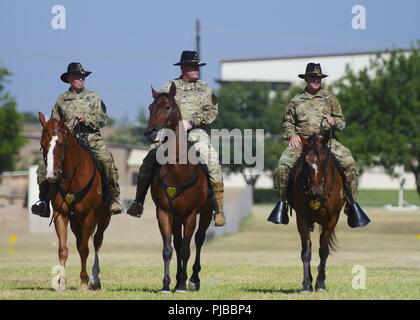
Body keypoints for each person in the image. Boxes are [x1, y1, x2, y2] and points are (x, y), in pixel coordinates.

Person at [127, 50, 225, 226]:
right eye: (193, 66)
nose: (196, 69)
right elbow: (158, 108)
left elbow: (212, 112)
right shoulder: (169, 86)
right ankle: (138, 202)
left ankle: (218, 210)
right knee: (149, 159)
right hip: (169, 132)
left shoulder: (205, 89)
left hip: (195, 132)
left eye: (198, 66)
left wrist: (192, 123)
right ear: (183, 67)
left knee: (212, 159)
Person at [271, 62, 370, 227]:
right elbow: (287, 123)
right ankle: (282, 203)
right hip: (302, 143)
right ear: (306, 79)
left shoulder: (330, 99)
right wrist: (292, 135)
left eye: (318, 77)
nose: (315, 80)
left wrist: (334, 121)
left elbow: (342, 122)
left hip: (326, 142)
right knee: (282, 166)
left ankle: (351, 204)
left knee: (349, 162)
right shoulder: (295, 101)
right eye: (312, 77)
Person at [31, 62, 123, 217]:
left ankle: (114, 197)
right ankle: (43, 201)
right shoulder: (61, 100)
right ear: (69, 79)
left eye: (83, 76)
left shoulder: (94, 97)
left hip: (91, 139)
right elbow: (54, 123)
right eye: (78, 76)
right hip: (66, 143)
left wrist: (86, 119)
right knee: (43, 165)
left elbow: (103, 119)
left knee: (106, 159)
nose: (81, 79)